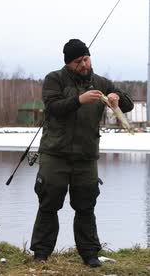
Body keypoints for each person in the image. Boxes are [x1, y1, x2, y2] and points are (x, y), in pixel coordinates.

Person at [30, 39, 134, 267]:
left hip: (86, 156)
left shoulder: (101, 82)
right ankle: (41, 253)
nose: (84, 64)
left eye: (86, 59)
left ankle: (90, 255)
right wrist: (79, 100)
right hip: (55, 154)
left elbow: (128, 105)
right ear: (68, 63)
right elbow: (53, 108)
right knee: (49, 203)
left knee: (86, 206)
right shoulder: (54, 80)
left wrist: (118, 100)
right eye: (78, 61)